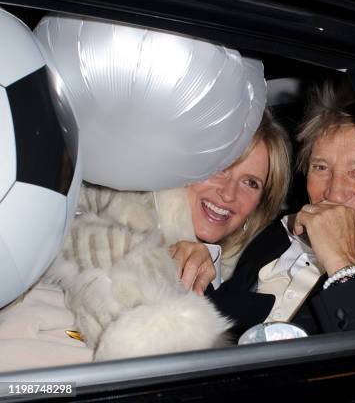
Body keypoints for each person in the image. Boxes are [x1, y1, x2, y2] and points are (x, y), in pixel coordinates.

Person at [203, 79, 355, 336]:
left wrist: (344, 266)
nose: (334, 192)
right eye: (320, 168)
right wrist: (203, 262)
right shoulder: (277, 233)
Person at [43, 110, 291, 360]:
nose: (228, 194)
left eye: (251, 183)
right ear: (186, 164)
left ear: (257, 207)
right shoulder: (112, 212)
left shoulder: (238, 283)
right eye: (221, 168)